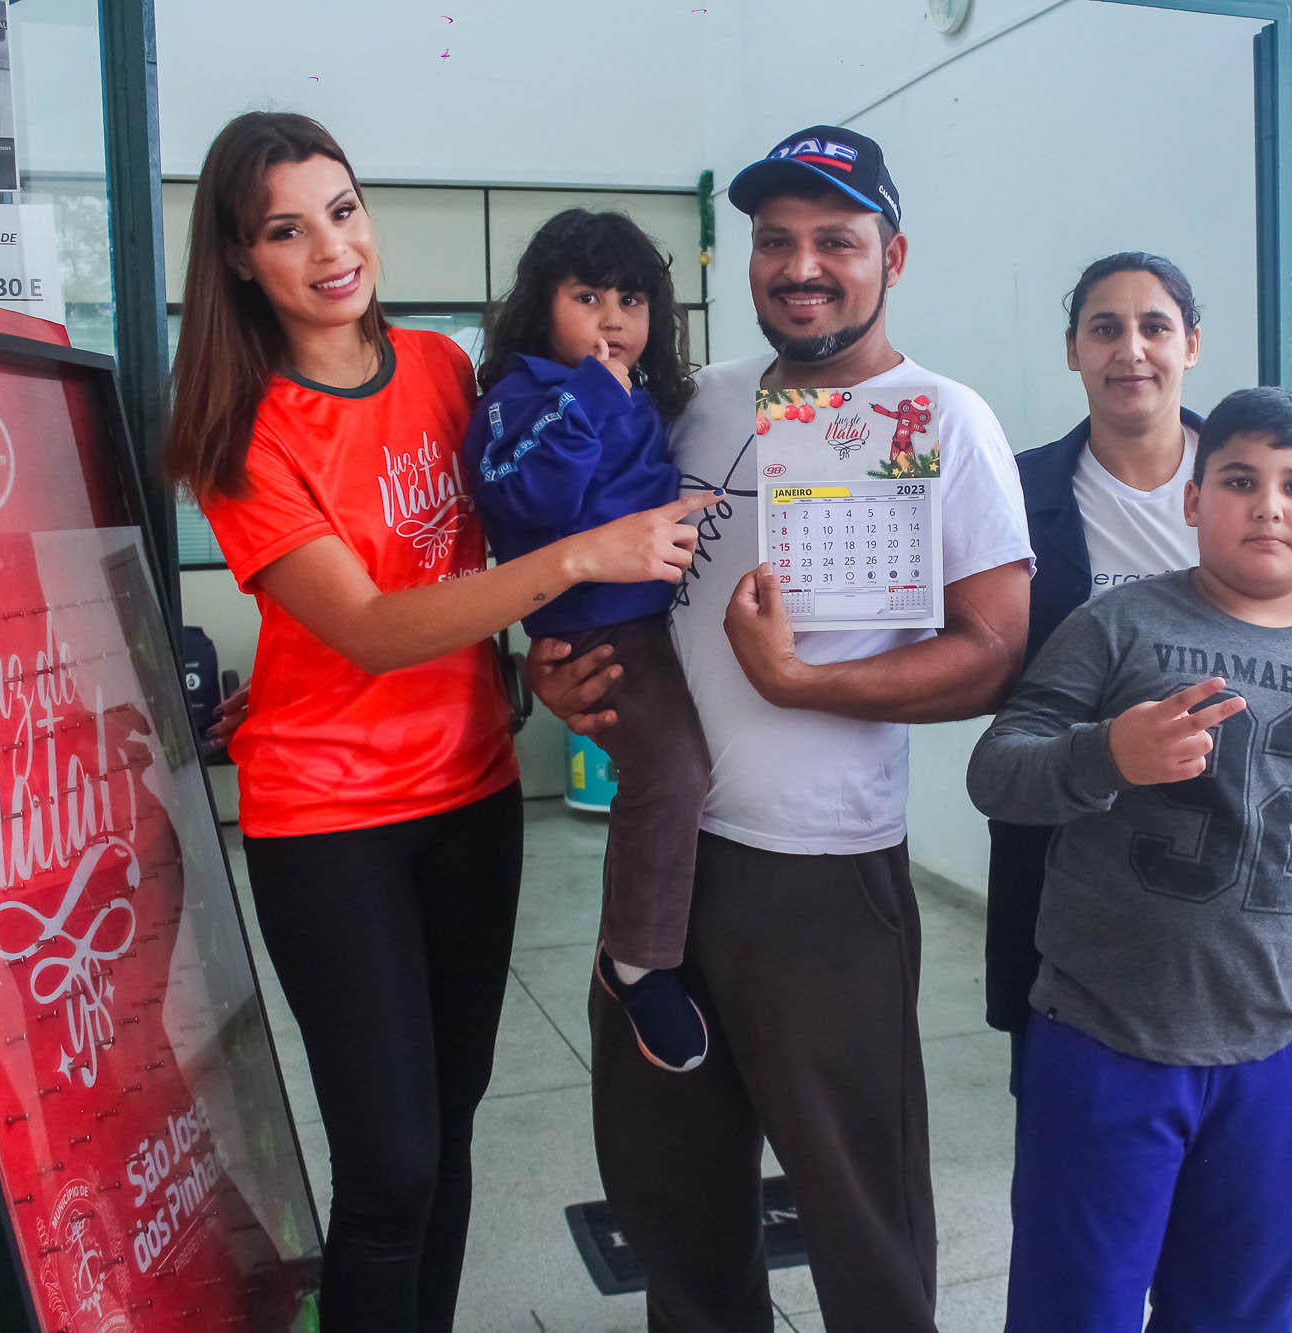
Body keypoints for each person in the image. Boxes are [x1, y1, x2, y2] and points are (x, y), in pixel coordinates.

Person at [163, 112, 713, 1332]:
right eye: (286, 231)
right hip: (328, 821)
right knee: (390, 1165)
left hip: (470, 793)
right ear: (240, 257)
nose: (330, 250)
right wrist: (585, 558)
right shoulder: (241, 431)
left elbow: (485, 547)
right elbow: (368, 626)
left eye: (342, 211)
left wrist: (540, 658)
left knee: (450, 1127)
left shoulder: (441, 370)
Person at [528, 124, 1033, 1332]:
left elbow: (991, 650)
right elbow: (596, 562)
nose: (800, 267)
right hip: (662, 862)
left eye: (834, 241)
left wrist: (803, 684)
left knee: (858, 1207)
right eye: (773, 241)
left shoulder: (941, 420)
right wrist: (557, 667)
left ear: (891, 256)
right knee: (671, 1199)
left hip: (821, 875)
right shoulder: (692, 403)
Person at [969, 386, 1292, 1333]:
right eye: (1240, 481)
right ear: (1194, 500)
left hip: (1283, 1055)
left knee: (1238, 1315)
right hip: (1104, 1040)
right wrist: (1107, 754)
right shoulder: (1117, 625)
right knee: (1072, 1311)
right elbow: (996, 771)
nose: (1268, 506)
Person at [985, 251, 1292, 1092]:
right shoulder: (1016, 492)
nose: (1131, 349)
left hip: (1250, 897)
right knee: (1070, 1098)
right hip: (1072, 861)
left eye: (1155, 327)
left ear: (1191, 344)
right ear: (1072, 349)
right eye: (1104, 328)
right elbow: (997, 675)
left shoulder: (1265, 487)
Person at [463, 208, 712, 1073]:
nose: (613, 319)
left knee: (682, 777)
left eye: (631, 300)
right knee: (671, 773)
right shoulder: (522, 395)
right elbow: (528, 498)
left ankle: (654, 938)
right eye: (588, 297)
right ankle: (637, 959)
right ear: (543, 306)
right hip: (600, 626)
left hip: (656, 617)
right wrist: (592, 395)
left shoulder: (642, 394)